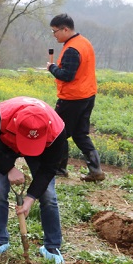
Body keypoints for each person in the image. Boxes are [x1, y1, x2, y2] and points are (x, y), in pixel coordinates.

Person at [0, 96, 67, 264]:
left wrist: (30, 198)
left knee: (48, 195)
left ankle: (51, 246)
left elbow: (49, 169)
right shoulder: (2, 116)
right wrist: (8, 168)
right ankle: (0, 240)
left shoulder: (57, 131)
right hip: (6, 145)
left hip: (42, 150)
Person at [47, 13, 105, 181]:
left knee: (58, 132)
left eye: (55, 31)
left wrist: (52, 68)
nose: (54, 35)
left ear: (65, 29)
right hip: (88, 95)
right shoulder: (84, 42)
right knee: (80, 134)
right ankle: (96, 170)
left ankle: (59, 169)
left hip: (72, 98)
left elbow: (67, 75)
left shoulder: (72, 49)